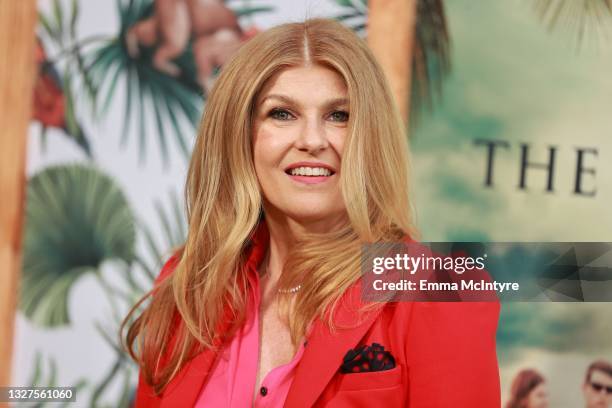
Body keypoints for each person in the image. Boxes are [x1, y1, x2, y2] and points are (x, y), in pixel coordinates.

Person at [121, 18, 501, 407]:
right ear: (240, 134)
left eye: (339, 115)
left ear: (369, 136)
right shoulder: (190, 286)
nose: (312, 140)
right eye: (282, 114)